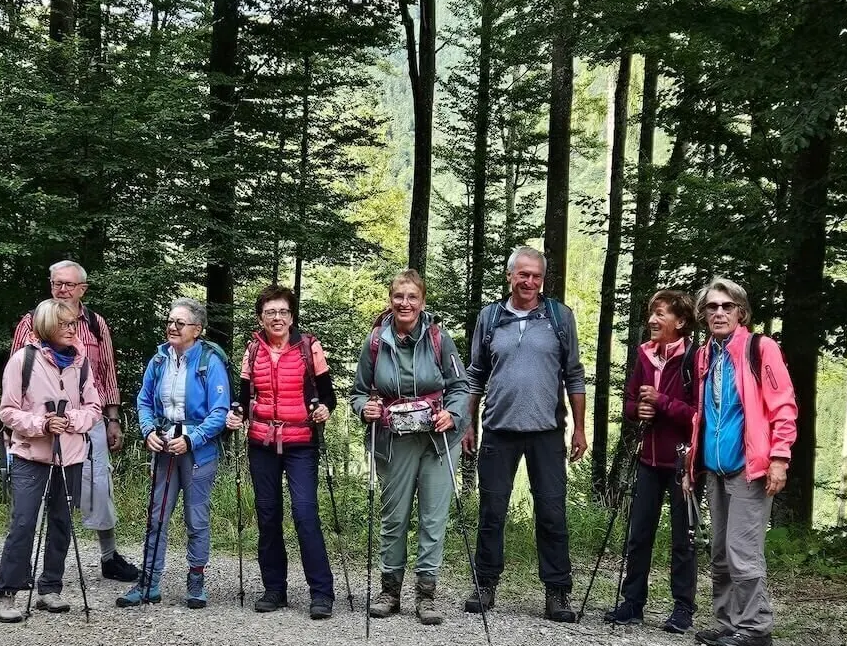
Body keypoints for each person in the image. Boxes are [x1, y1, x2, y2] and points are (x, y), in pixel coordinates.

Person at [462, 246, 587, 622]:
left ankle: (557, 592)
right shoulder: (490, 317)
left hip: (547, 431)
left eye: (536, 276)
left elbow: (574, 374)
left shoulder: (558, 317)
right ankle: (485, 584)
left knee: (552, 512)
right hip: (498, 430)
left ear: (542, 280)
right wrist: (469, 422)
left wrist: (579, 428)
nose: (529, 281)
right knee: (492, 511)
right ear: (510, 275)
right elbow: (475, 375)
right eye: (523, 274)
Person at [683, 278, 797, 646]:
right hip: (715, 466)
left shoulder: (759, 349)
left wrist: (780, 458)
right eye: (712, 307)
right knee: (719, 551)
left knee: (741, 550)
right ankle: (729, 624)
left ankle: (756, 629)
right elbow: (704, 415)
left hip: (751, 467)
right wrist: (691, 463)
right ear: (703, 314)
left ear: (741, 312)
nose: (719, 312)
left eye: (726, 306)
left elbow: (783, 405)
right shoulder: (705, 355)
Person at [349, 270, 470, 626]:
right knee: (394, 516)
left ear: (422, 301)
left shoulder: (438, 339)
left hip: (438, 440)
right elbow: (358, 391)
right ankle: (389, 590)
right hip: (394, 440)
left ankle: (426, 594)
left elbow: (461, 387)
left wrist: (453, 414)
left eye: (412, 297)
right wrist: (364, 408)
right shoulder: (375, 342)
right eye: (399, 296)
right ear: (390, 299)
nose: (405, 303)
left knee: (433, 517)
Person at [11, 261, 136, 583]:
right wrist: (19, 426)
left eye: (68, 284)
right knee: (35, 496)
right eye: (56, 284)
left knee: (98, 488)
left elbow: (107, 371)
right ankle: (23, 567)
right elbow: (16, 382)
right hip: (41, 425)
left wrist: (112, 419)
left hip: (87, 420)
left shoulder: (95, 324)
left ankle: (109, 557)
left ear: (83, 289)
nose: (62, 290)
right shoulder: (31, 322)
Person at [225, 285, 337, 620]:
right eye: (270, 312)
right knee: (268, 514)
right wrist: (236, 415)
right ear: (261, 317)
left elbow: (329, 397)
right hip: (262, 442)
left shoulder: (308, 346)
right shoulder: (253, 350)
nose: (277, 318)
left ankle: (321, 593)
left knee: (305, 514)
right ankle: (274, 589)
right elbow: (243, 399)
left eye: (283, 312)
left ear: (292, 316)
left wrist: (324, 411)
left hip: (301, 441)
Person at [0, 299, 102, 622]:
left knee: (61, 522)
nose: (72, 329)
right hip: (31, 454)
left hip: (70, 455)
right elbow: (8, 411)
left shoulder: (81, 362)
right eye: (65, 324)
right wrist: (42, 424)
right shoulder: (23, 360)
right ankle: (6, 592)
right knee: (24, 522)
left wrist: (72, 421)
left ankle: (50, 588)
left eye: (74, 324)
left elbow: (93, 408)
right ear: (46, 327)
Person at [122, 298, 230, 608]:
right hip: (164, 445)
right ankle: (149, 582)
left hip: (198, 451)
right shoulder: (159, 360)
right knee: (156, 516)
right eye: (170, 321)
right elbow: (144, 401)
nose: (172, 327)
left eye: (180, 323)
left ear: (197, 329)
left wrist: (193, 438)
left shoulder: (210, 362)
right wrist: (147, 431)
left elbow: (219, 411)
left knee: (196, 518)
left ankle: (196, 581)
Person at [604, 289, 698, 633]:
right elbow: (630, 402)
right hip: (647, 458)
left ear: (681, 321)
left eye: (661, 314)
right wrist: (637, 410)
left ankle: (683, 608)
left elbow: (699, 416)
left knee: (682, 537)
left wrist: (660, 402)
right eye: (651, 313)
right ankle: (632, 603)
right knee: (638, 533)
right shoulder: (645, 355)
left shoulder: (693, 359)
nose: (653, 320)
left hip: (682, 462)